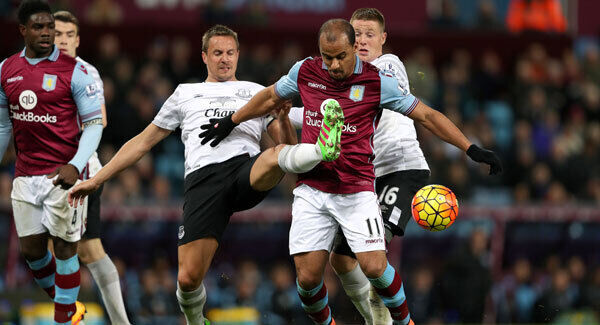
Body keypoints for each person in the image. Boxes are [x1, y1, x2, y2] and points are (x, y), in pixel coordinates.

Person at [199, 19, 502, 325]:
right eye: (326, 56)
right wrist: (231, 121)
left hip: (356, 190)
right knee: (307, 280)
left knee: (373, 266)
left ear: (353, 49)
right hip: (313, 189)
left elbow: (427, 115)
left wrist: (470, 148)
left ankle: (405, 321)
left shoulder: (376, 82)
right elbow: (269, 97)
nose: (332, 64)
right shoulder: (305, 71)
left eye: (340, 56)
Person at [68, 24, 343, 325]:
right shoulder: (186, 93)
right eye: (217, 53)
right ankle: (196, 319)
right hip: (203, 183)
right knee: (187, 280)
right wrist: (97, 179)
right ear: (204, 56)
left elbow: (289, 148)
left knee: (275, 156)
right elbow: (142, 142)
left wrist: (282, 119)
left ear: (238, 55)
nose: (224, 59)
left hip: (244, 171)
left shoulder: (256, 92)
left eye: (229, 53)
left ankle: (322, 149)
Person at [0, 1, 104, 324]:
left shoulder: (75, 70)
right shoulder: (6, 69)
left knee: (65, 249)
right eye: (39, 27)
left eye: (50, 28)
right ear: (23, 31)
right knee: (32, 252)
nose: (47, 33)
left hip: (63, 174)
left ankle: (64, 319)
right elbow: (4, 125)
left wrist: (76, 163)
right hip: (25, 175)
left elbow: (94, 124)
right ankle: (69, 307)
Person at [53, 10, 130, 324]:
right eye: (58, 34)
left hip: (78, 171)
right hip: (44, 172)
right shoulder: (27, 72)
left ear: (78, 40)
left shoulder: (86, 72)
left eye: (70, 35)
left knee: (87, 250)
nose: (64, 41)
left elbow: (99, 120)